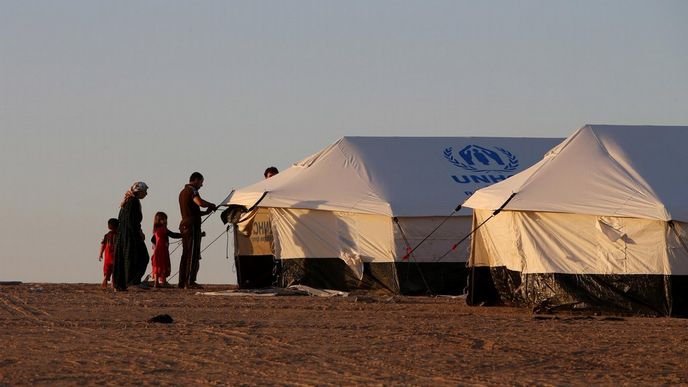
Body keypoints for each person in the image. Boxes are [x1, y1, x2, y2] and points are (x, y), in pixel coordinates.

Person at [178, 172, 216, 289]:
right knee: (192, 254)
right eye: (201, 182)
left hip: (185, 225)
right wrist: (211, 204)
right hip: (192, 227)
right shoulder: (192, 190)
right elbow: (199, 202)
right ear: (196, 180)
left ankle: (182, 281)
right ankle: (190, 281)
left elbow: (193, 210)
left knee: (185, 254)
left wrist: (205, 212)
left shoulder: (182, 192)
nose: (201, 185)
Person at [113, 182, 150, 291]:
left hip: (124, 233)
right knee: (140, 257)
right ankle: (132, 282)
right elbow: (131, 221)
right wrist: (138, 233)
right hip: (130, 234)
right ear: (140, 191)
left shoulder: (129, 200)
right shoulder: (133, 201)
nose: (146, 194)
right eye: (145, 191)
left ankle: (126, 283)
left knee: (128, 257)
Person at [150, 212, 182, 288]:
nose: (165, 221)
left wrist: (154, 246)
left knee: (157, 265)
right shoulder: (164, 229)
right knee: (163, 264)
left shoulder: (156, 230)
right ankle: (163, 281)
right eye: (163, 219)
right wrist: (183, 235)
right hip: (163, 250)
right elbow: (173, 235)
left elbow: (152, 239)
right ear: (159, 220)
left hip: (157, 251)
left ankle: (156, 282)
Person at [98, 218, 118, 289]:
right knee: (114, 270)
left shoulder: (107, 235)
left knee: (107, 269)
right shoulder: (118, 235)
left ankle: (105, 279)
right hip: (115, 255)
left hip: (108, 256)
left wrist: (100, 254)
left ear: (109, 226)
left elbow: (103, 245)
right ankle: (113, 283)